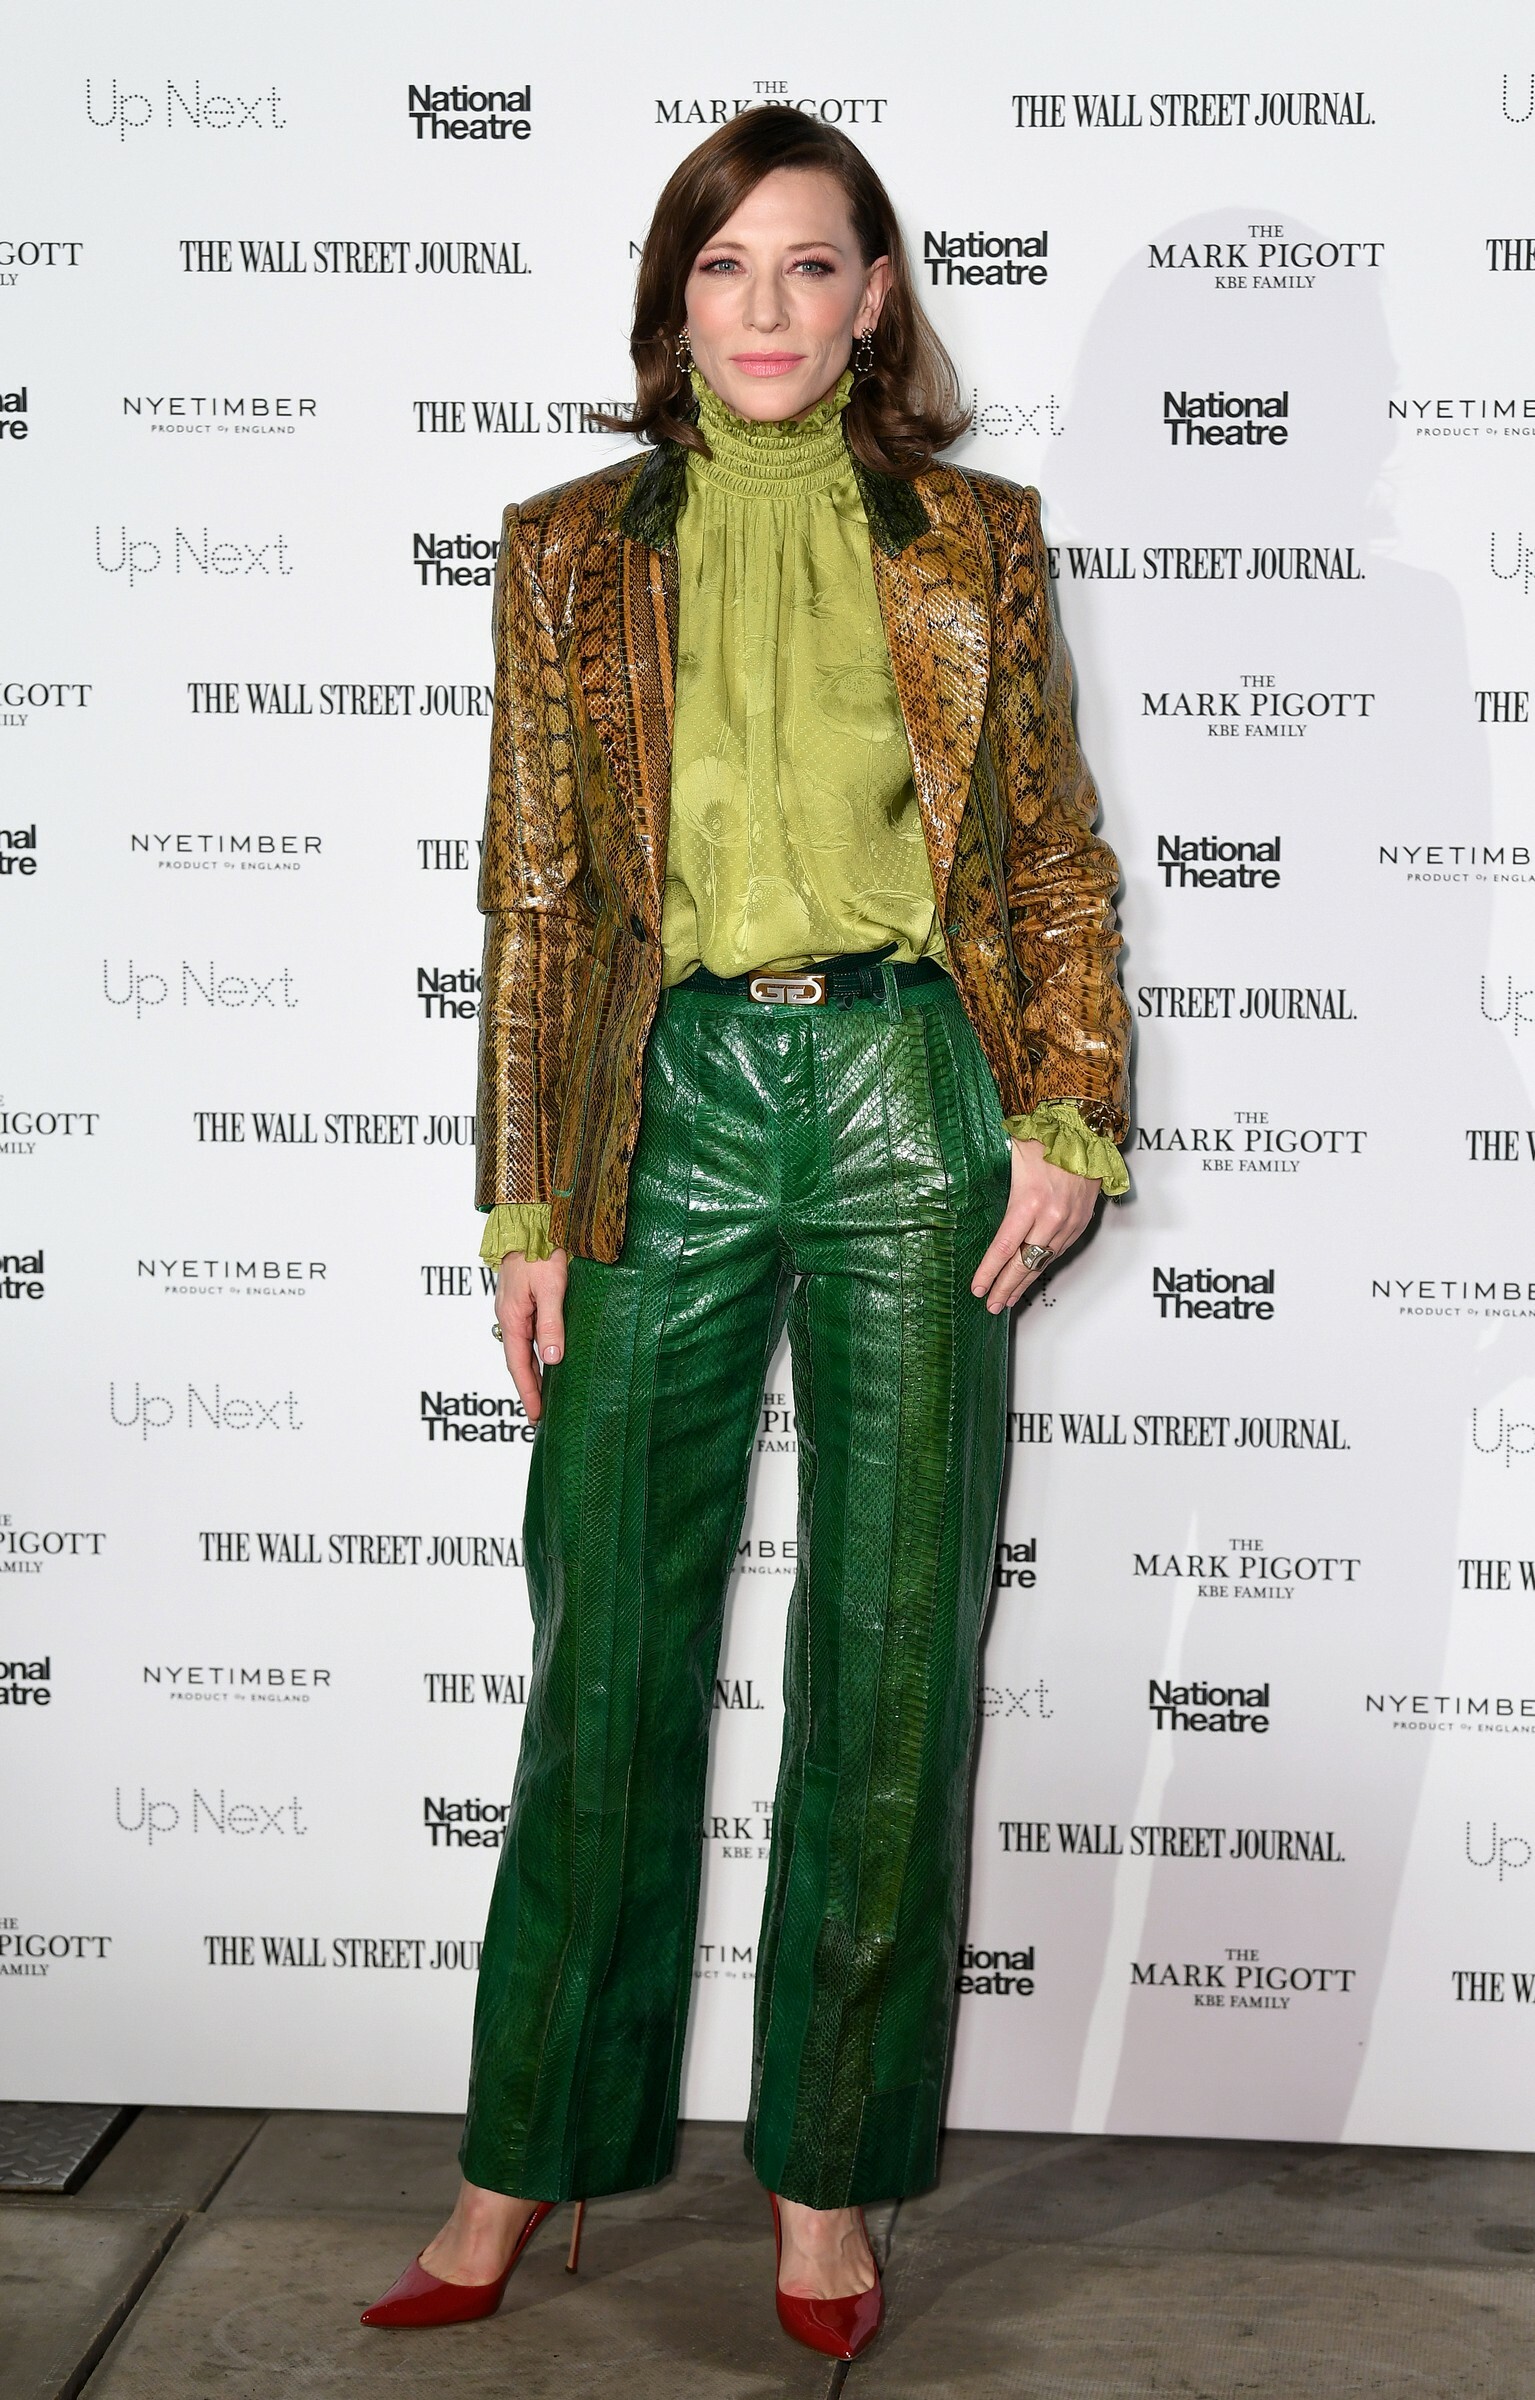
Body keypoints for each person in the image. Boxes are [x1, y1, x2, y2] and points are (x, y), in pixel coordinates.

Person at [362, 104, 1130, 2364]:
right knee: (604, 1646)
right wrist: (527, 1195)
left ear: (876, 297)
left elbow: (1054, 855)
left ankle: (827, 2184)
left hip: (909, 1091)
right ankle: (523, 2152)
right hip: (663, 1103)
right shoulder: (565, 550)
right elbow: (535, 896)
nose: (768, 307)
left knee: (888, 1663)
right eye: (724, 267)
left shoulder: (980, 540)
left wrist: (1069, 1107)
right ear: (672, 300)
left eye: (811, 265)